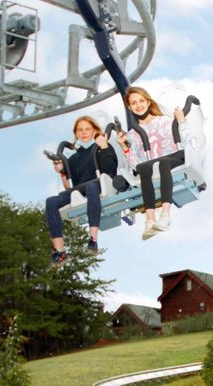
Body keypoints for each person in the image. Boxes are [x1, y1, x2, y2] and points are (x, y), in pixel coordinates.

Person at [116, 86, 188, 240]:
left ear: (148, 102)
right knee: (143, 168)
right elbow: (135, 164)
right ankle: (150, 220)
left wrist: (181, 120)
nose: (139, 105)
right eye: (134, 103)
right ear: (130, 107)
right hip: (151, 164)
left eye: (141, 101)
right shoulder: (133, 134)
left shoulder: (164, 121)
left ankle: (165, 215)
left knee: (163, 164)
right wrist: (124, 147)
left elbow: (185, 138)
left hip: (174, 157)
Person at [45, 115, 117, 264]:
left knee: (91, 186)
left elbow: (110, 170)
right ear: (76, 134)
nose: (84, 133)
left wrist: (104, 147)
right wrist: (62, 172)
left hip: (101, 183)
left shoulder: (101, 146)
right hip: (80, 189)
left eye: (87, 129)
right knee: (51, 201)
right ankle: (60, 251)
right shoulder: (73, 158)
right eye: (80, 130)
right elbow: (69, 186)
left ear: (94, 131)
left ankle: (93, 240)